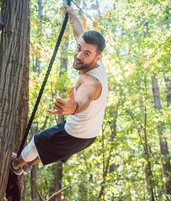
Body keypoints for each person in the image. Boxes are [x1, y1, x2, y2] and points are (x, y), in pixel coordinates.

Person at [10, 4, 108, 175]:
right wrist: (72, 14)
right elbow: (79, 33)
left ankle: (17, 165)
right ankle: (28, 165)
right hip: (89, 134)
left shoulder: (91, 81)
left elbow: (83, 100)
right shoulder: (94, 57)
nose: (79, 55)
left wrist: (74, 108)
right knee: (52, 148)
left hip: (76, 133)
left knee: (37, 142)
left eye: (86, 54)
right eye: (79, 48)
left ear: (97, 57)